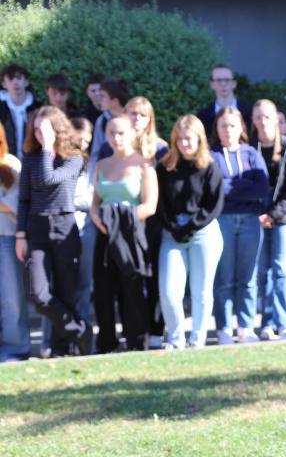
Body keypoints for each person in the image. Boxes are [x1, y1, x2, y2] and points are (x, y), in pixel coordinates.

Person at [15, 106, 89, 357]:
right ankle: (81, 331)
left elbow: (49, 179)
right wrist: (20, 235)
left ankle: (61, 350)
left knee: (65, 293)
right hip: (37, 228)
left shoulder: (74, 158)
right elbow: (24, 199)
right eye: (35, 129)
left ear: (57, 129)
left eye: (44, 129)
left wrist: (48, 148)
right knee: (39, 294)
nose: (39, 134)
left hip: (64, 226)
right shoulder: (32, 158)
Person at [90, 115, 158, 353]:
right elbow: (95, 202)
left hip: (131, 235)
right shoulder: (101, 164)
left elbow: (150, 205)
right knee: (103, 290)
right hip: (105, 234)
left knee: (132, 289)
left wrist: (120, 220)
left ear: (132, 134)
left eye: (121, 133)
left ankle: (137, 342)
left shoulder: (144, 164)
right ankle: (107, 343)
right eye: (111, 133)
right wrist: (99, 219)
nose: (116, 138)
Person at [156, 115, 224, 349]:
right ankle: (176, 338)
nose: (184, 144)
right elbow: (160, 203)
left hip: (203, 233)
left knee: (201, 291)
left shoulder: (209, 168)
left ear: (199, 140)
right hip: (172, 233)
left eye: (189, 139)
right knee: (169, 291)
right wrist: (173, 227)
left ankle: (198, 338)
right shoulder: (165, 167)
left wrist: (191, 225)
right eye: (180, 139)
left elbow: (213, 205)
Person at [211, 107, 269, 345]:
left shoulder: (251, 154)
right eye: (223, 125)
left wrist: (231, 187)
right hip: (222, 219)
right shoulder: (211, 155)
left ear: (241, 128)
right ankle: (224, 327)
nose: (228, 130)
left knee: (248, 277)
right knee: (224, 277)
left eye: (232, 125)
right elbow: (213, 189)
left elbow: (261, 187)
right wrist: (242, 186)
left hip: (249, 220)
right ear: (217, 128)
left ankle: (245, 326)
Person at [252, 99, 286, 341]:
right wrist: (260, 215)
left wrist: (273, 214)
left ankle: (285, 324)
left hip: (283, 219)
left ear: (276, 119)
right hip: (257, 219)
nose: (263, 122)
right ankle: (267, 322)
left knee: (281, 269)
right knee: (262, 272)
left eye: (267, 117)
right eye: (258, 117)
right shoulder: (250, 148)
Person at [0, 126, 29, 361]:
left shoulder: (11, 164)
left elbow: (17, 207)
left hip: (7, 238)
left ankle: (16, 348)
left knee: (12, 298)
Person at [70, 117, 95, 348]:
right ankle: (59, 340)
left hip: (87, 227)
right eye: (80, 139)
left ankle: (84, 338)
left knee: (85, 286)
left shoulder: (93, 162)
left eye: (88, 140)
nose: (84, 144)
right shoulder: (61, 160)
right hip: (65, 228)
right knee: (63, 286)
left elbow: (94, 197)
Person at [197, 64, 254, 145]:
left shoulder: (249, 113)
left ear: (234, 83)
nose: (223, 84)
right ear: (212, 84)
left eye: (227, 80)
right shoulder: (203, 116)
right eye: (218, 80)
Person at [1, 64, 37, 162]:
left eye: (19, 78)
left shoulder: (36, 108)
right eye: (10, 79)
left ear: (26, 82)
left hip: (31, 163)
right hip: (5, 162)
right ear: (4, 84)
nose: (15, 82)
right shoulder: (1, 108)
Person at [90, 77, 129, 164]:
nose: (99, 99)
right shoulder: (101, 121)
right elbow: (96, 151)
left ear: (114, 101)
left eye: (102, 96)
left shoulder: (133, 118)